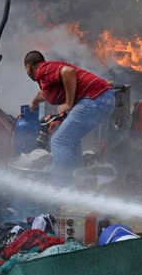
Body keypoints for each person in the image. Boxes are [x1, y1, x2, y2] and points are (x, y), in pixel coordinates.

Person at [24, 50, 115, 184]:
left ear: (28, 67)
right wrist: (34, 102)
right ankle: (78, 180)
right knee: (69, 139)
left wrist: (68, 103)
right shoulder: (46, 77)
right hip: (103, 99)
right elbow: (44, 93)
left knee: (59, 142)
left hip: (95, 99)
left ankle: (63, 189)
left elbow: (68, 71)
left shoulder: (43, 69)